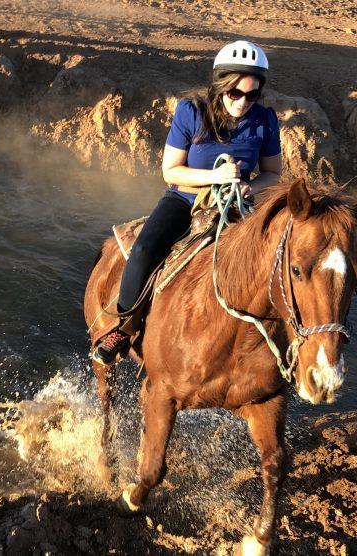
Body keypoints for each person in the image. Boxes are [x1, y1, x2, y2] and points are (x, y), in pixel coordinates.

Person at [93, 40, 283, 364]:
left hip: (236, 203)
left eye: (252, 95)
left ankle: (283, 339)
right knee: (144, 249)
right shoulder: (191, 111)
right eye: (235, 93)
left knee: (276, 259)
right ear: (221, 85)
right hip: (185, 199)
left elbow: (273, 174)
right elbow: (171, 171)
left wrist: (251, 187)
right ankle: (123, 327)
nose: (243, 102)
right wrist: (217, 177)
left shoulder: (265, 120)